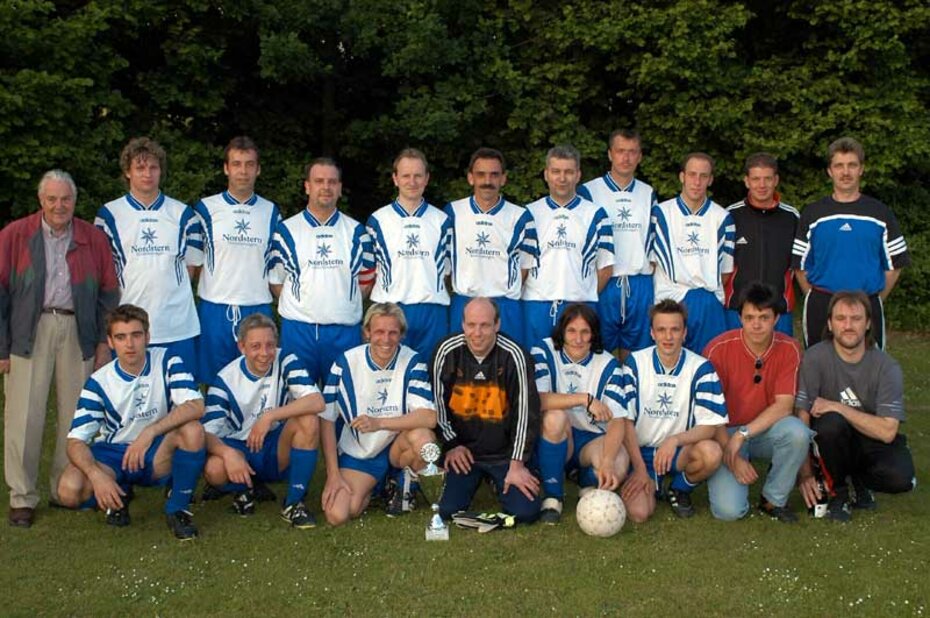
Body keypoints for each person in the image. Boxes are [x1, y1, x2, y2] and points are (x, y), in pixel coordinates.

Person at [1, 170, 119, 527]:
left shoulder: (91, 238)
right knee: (24, 416)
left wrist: (103, 341)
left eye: (65, 199)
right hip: (29, 329)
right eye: (52, 199)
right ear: (41, 201)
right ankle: (22, 496)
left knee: (75, 415)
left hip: (76, 328)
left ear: (74, 201)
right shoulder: (15, 235)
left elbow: (108, 293)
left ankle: (63, 486)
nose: (59, 205)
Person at [56, 305, 206, 541]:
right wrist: (96, 475)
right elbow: (75, 441)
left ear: (147, 337)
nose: (130, 344)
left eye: (136, 335)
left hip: (155, 450)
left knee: (193, 430)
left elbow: (196, 405)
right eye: (121, 337)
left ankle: (178, 508)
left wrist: (150, 432)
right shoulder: (99, 382)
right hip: (114, 455)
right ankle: (117, 496)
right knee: (68, 491)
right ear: (111, 341)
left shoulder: (167, 360)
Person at [795, 291, 915, 522]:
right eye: (840, 319)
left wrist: (838, 406)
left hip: (871, 438)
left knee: (901, 480)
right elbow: (802, 418)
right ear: (829, 324)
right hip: (832, 437)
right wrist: (805, 474)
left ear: (869, 323)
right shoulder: (814, 358)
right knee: (830, 424)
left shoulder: (887, 366)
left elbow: (888, 432)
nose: (848, 325)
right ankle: (838, 492)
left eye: (856, 319)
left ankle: (858, 481)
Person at [202, 313, 325, 528]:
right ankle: (243, 489)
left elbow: (316, 401)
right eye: (255, 346)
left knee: (309, 419)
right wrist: (228, 454)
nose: (264, 353)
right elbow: (206, 435)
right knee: (214, 469)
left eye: (270, 345)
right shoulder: (224, 380)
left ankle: (294, 502)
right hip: (240, 447)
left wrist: (270, 416)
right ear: (242, 347)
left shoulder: (285, 359)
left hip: (274, 446)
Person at [320, 303, 438, 525]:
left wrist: (379, 422)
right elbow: (326, 421)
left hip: (397, 448)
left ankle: (405, 478)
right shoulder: (345, 363)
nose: (386, 339)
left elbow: (429, 417)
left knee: (423, 439)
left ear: (401, 335)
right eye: (379, 332)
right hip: (362, 454)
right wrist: (333, 474)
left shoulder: (412, 361)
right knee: (339, 514)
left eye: (393, 332)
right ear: (367, 333)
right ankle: (382, 486)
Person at [95, 137, 202, 376]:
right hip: (128, 328)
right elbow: (104, 273)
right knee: (133, 400)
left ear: (161, 172)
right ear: (127, 172)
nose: (147, 174)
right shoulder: (109, 215)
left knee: (183, 400)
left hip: (177, 327)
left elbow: (192, 268)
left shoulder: (183, 214)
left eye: (153, 167)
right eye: (140, 168)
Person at [704, 282, 811, 523]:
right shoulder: (717, 349)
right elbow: (708, 412)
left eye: (764, 317)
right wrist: (731, 450)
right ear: (739, 317)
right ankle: (738, 467)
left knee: (797, 433)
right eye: (750, 317)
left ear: (776, 319)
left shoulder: (789, 348)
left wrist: (742, 435)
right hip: (724, 431)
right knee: (729, 512)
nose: (756, 324)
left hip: (763, 429)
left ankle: (773, 498)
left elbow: (784, 406)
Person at [793, 137, 910, 349]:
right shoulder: (813, 213)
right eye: (839, 166)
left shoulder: (880, 213)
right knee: (818, 371)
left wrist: (873, 299)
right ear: (830, 171)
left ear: (861, 169)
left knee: (869, 373)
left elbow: (895, 264)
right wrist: (815, 296)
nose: (845, 172)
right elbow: (800, 267)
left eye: (852, 165)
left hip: (866, 304)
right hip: (822, 304)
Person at [432, 297, 541, 523]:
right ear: (462, 325)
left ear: (497, 325)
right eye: (471, 325)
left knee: (526, 512)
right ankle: (476, 480)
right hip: (465, 453)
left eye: (484, 325)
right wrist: (451, 444)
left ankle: (498, 479)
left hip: (503, 454)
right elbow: (437, 404)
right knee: (447, 511)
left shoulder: (515, 355)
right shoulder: (446, 351)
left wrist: (517, 463)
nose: (477, 333)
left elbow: (526, 413)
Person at [268, 158, 374, 384]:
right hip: (299, 331)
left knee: (341, 405)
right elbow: (276, 281)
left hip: (344, 332)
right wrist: (307, 307)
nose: (326, 187)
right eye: (319, 181)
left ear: (339, 188)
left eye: (332, 181)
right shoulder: (286, 231)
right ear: (307, 186)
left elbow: (366, 279)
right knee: (298, 404)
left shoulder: (357, 232)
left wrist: (339, 304)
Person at [619, 299, 727, 521]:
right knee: (639, 514)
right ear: (652, 333)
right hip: (641, 453)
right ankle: (647, 480)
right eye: (662, 330)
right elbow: (624, 421)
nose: (668, 337)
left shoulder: (701, 368)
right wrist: (639, 468)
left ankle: (678, 488)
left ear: (685, 333)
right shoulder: (634, 364)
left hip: (679, 452)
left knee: (711, 453)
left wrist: (674, 440)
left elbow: (709, 426)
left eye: (675, 330)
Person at [191, 137, 283, 381]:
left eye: (249, 164)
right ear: (226, 168)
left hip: (257, 306)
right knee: (214, 383)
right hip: (215, 308)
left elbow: (276, 267)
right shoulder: (205, 209)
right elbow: (195, 264)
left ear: (258, 169)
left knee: (259, 382)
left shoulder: (272, 212)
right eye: (237, 164)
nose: (243, 171)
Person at [531, 304, 630, 524]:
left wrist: (607, 461)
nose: (578, 339)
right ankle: (552, 496)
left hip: (589, 440)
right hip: (555, 435)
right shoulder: (544, 351)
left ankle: (587, 479)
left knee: (619, 462)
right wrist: (584, 399)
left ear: (593, 334)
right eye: (572, 331)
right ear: (562, 332)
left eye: (585, 332)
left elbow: (617, 420)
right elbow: (539, 400)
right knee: (555, 417)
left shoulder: (608, 364)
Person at [522, 145, 614, 347]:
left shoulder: (596, 215)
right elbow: (522, 266)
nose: (562, 178)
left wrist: (583, 295)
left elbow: (606, 268)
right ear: (546, 174)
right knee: (537, 368)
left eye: (568, 172)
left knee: (578, 370)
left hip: (580, 306)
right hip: (537, 306)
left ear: (578, 175)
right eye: (556, 171)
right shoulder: (528, 214)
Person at [445, 148, 537, 346]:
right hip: (464, 302)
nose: (487, 181)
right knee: (460, 371)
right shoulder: (453, 212)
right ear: (471, 178)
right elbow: (445, 263)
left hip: (505, 306)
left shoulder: (520, 216)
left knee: (507, 370)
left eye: (494, 174)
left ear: (503, 178)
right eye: (481, 174)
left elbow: (525, 266)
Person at [578, 129, 658, 355]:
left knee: (641, 352)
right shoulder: (590, 191)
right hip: (604, 282)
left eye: (632, 152)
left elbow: (653, 240)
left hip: (639, 285)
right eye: (621, 151)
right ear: (610, 154)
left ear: (640, 156)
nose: (626, 158)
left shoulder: (647, 192)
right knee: (598, 349)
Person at [367, 148, 451, 359]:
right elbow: (368, 272)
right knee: (388, 375)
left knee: (430, 375)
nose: (411, 181)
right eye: (405, 175)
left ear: (426, 179)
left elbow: (448, 271)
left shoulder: (442, 221)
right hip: (390, 309)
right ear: (395, 179)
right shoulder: (378, 221)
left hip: (432, 310)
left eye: (417, 176)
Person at [649, 152, 735, 354]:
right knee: (669, 365)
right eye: (692, 174)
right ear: (682, 176)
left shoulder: (723, 218)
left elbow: (725, 272)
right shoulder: (660, 214)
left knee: (710, 362)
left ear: (711, 180)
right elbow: (651, 263)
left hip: (707, 303)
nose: (697, 182)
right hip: (669, 301)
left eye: (703, 176)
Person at [724, 153, 799, 336]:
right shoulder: (729, 216)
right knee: (735, 364)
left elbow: (799, 266)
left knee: (780, 363)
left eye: (767, 179)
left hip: (779, 310)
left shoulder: (792, 217)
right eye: (756, 179)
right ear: (747, 181)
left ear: (776, 180)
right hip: (738, 311)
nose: (762, 185)